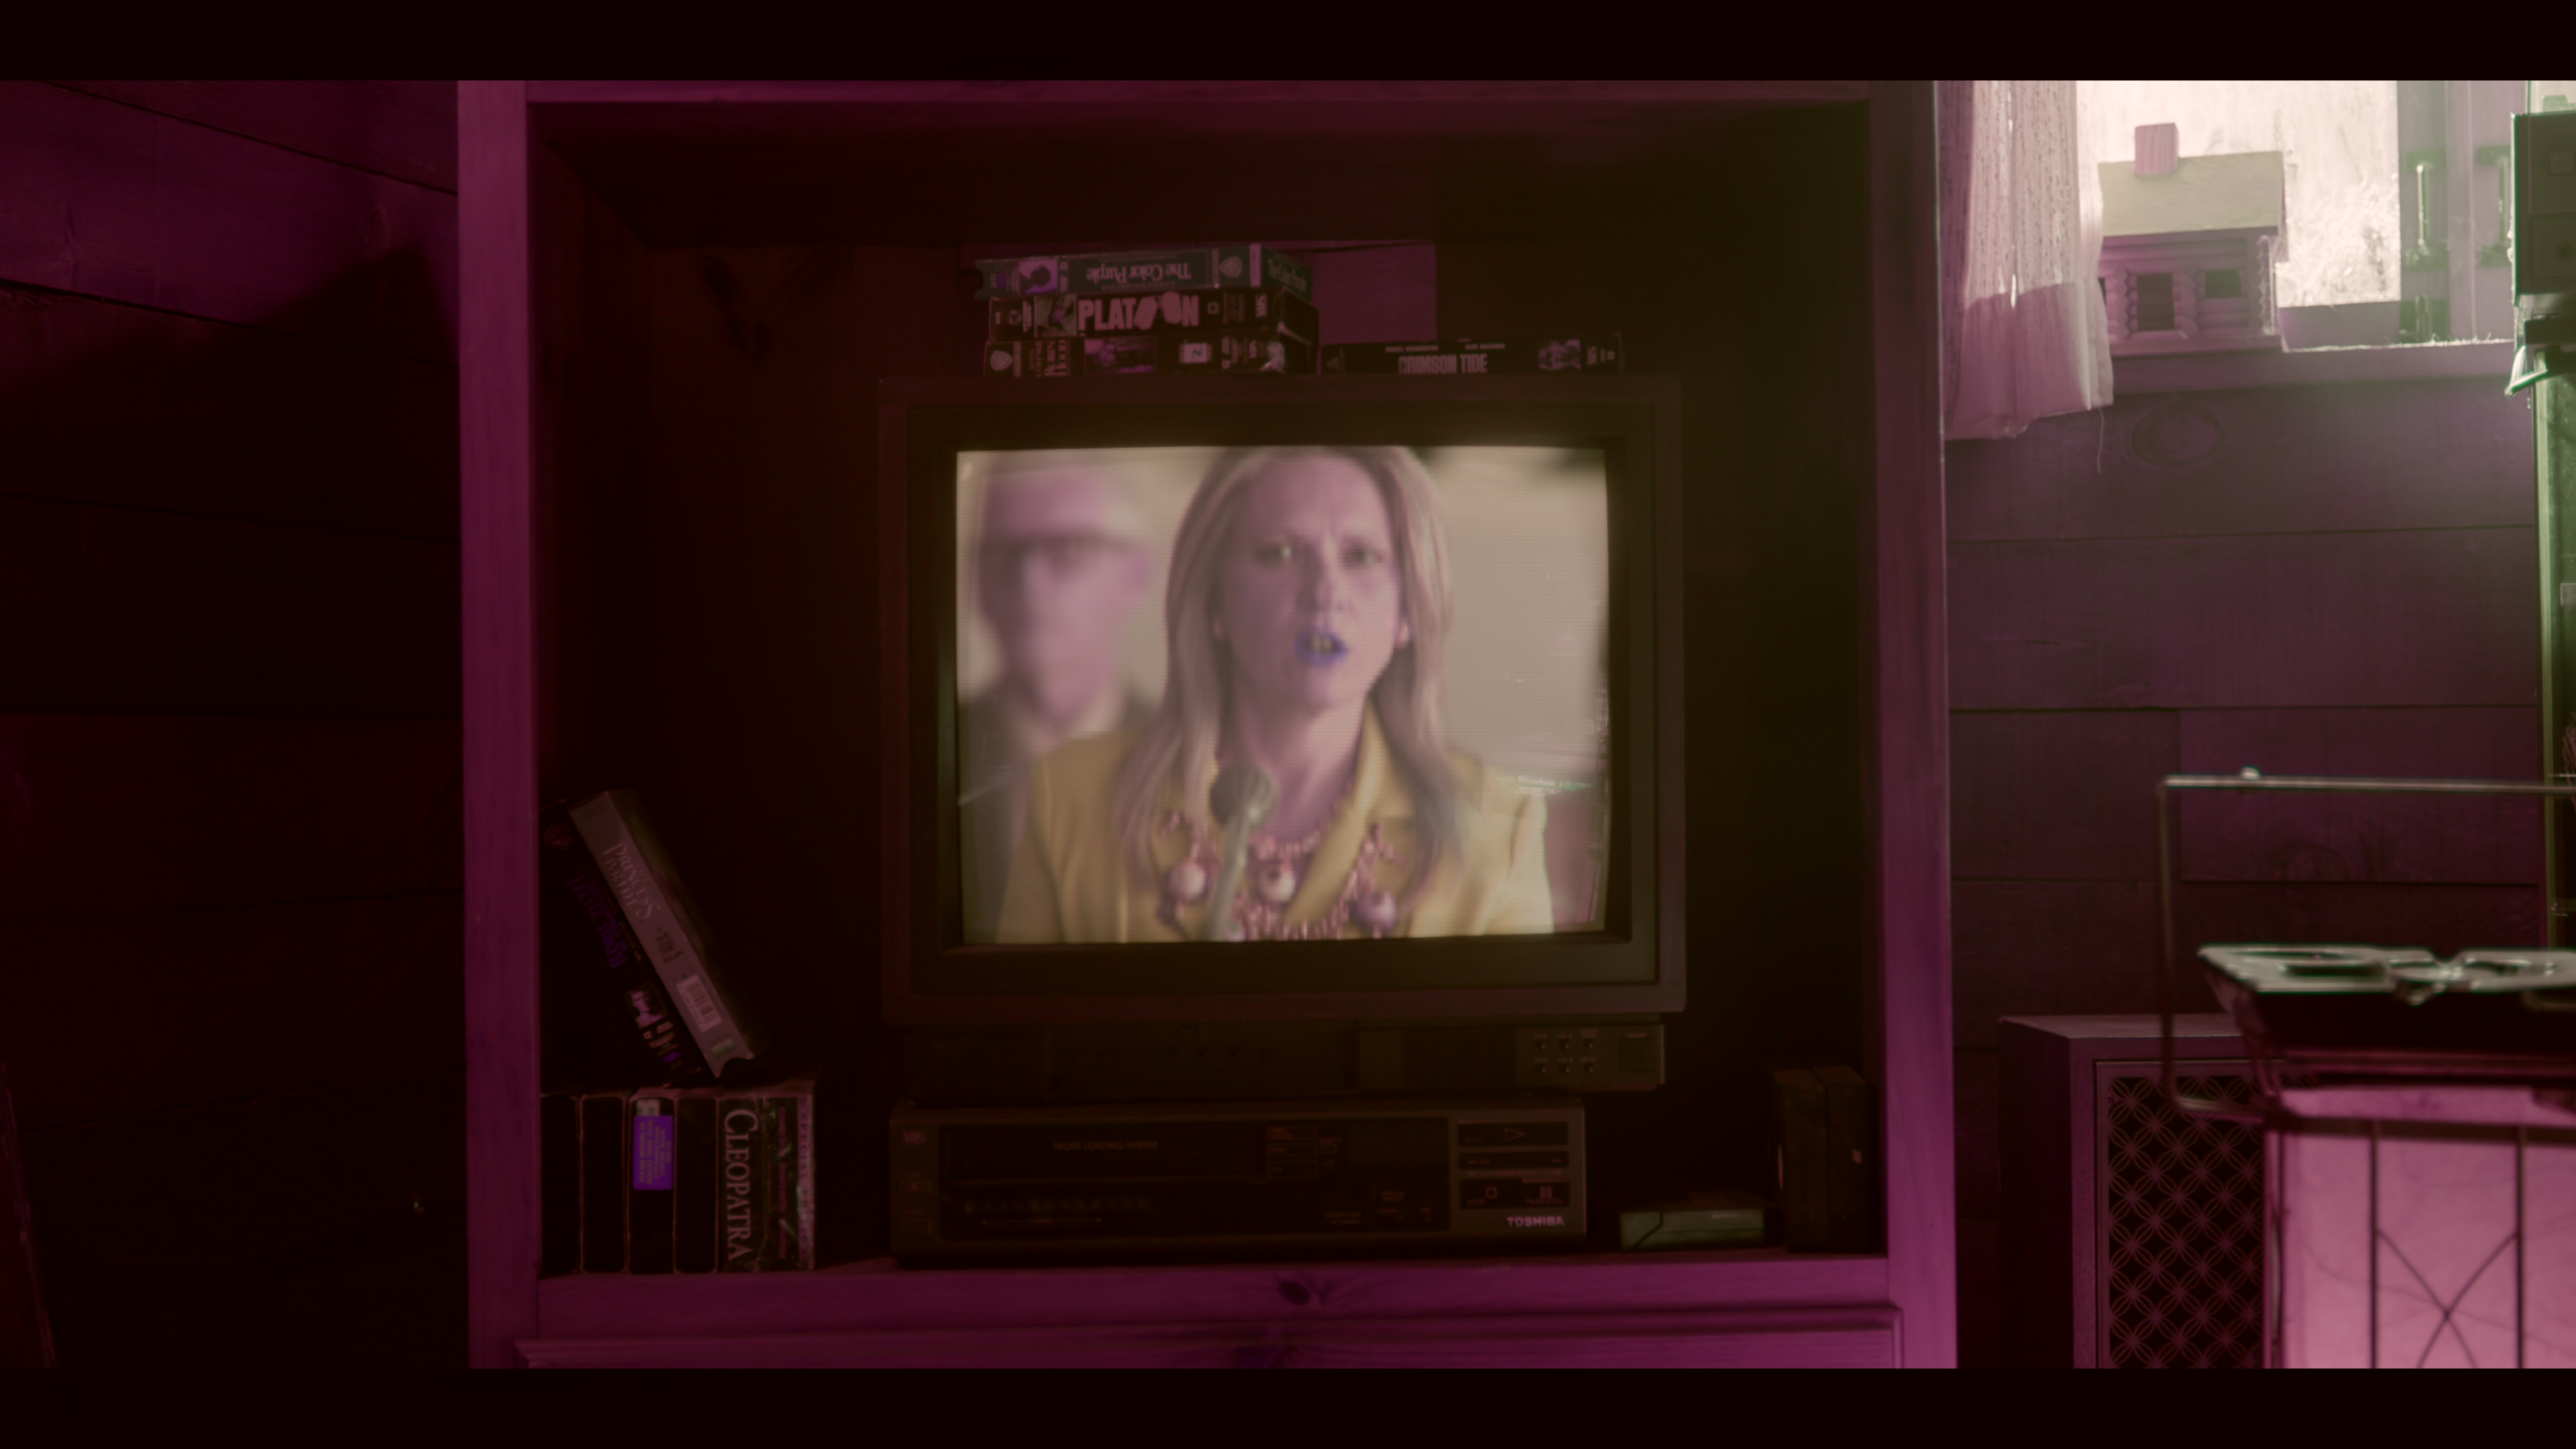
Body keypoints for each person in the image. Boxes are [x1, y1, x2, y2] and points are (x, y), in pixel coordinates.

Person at [995, 446, 1553, 943]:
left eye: (1362, 556)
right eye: (1280, 552)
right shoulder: (1069, 798)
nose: (1325, 591)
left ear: (1409, 609)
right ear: (1214, 598)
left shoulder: (1501, 826)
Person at [958, 455, 1155, 939]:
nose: (1029, 583)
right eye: (1002, 555)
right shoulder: (919, 753)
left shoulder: (1200, 754)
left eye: (1068, 549)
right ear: (976, 584)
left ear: (1135, 575)